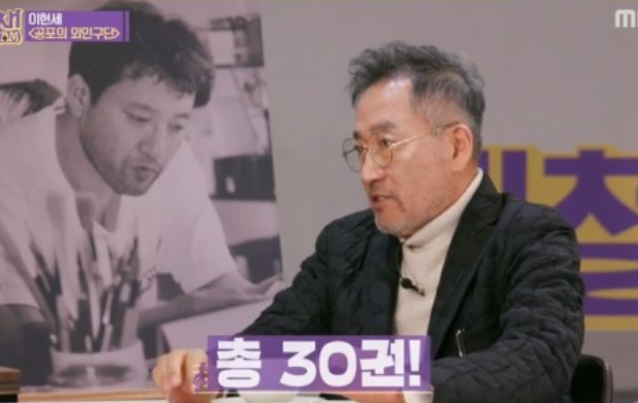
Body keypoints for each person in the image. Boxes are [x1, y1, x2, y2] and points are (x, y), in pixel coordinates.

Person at [152, 42, 584, 403]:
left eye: (386, 145)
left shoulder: (531, 236)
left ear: (456, 147)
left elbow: (540, 356)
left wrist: (406, 390)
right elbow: (277, 340)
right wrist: (209, 372)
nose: (368, 172)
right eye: (361, 149)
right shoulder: (346, 243)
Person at [0, 0, 273, 382]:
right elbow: (21, 351)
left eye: (177, 125)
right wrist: (185, 309)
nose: (157, 149)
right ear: (80, 95)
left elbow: (221, 288)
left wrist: (263, 306)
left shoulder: (174, 160)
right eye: (139, 118)